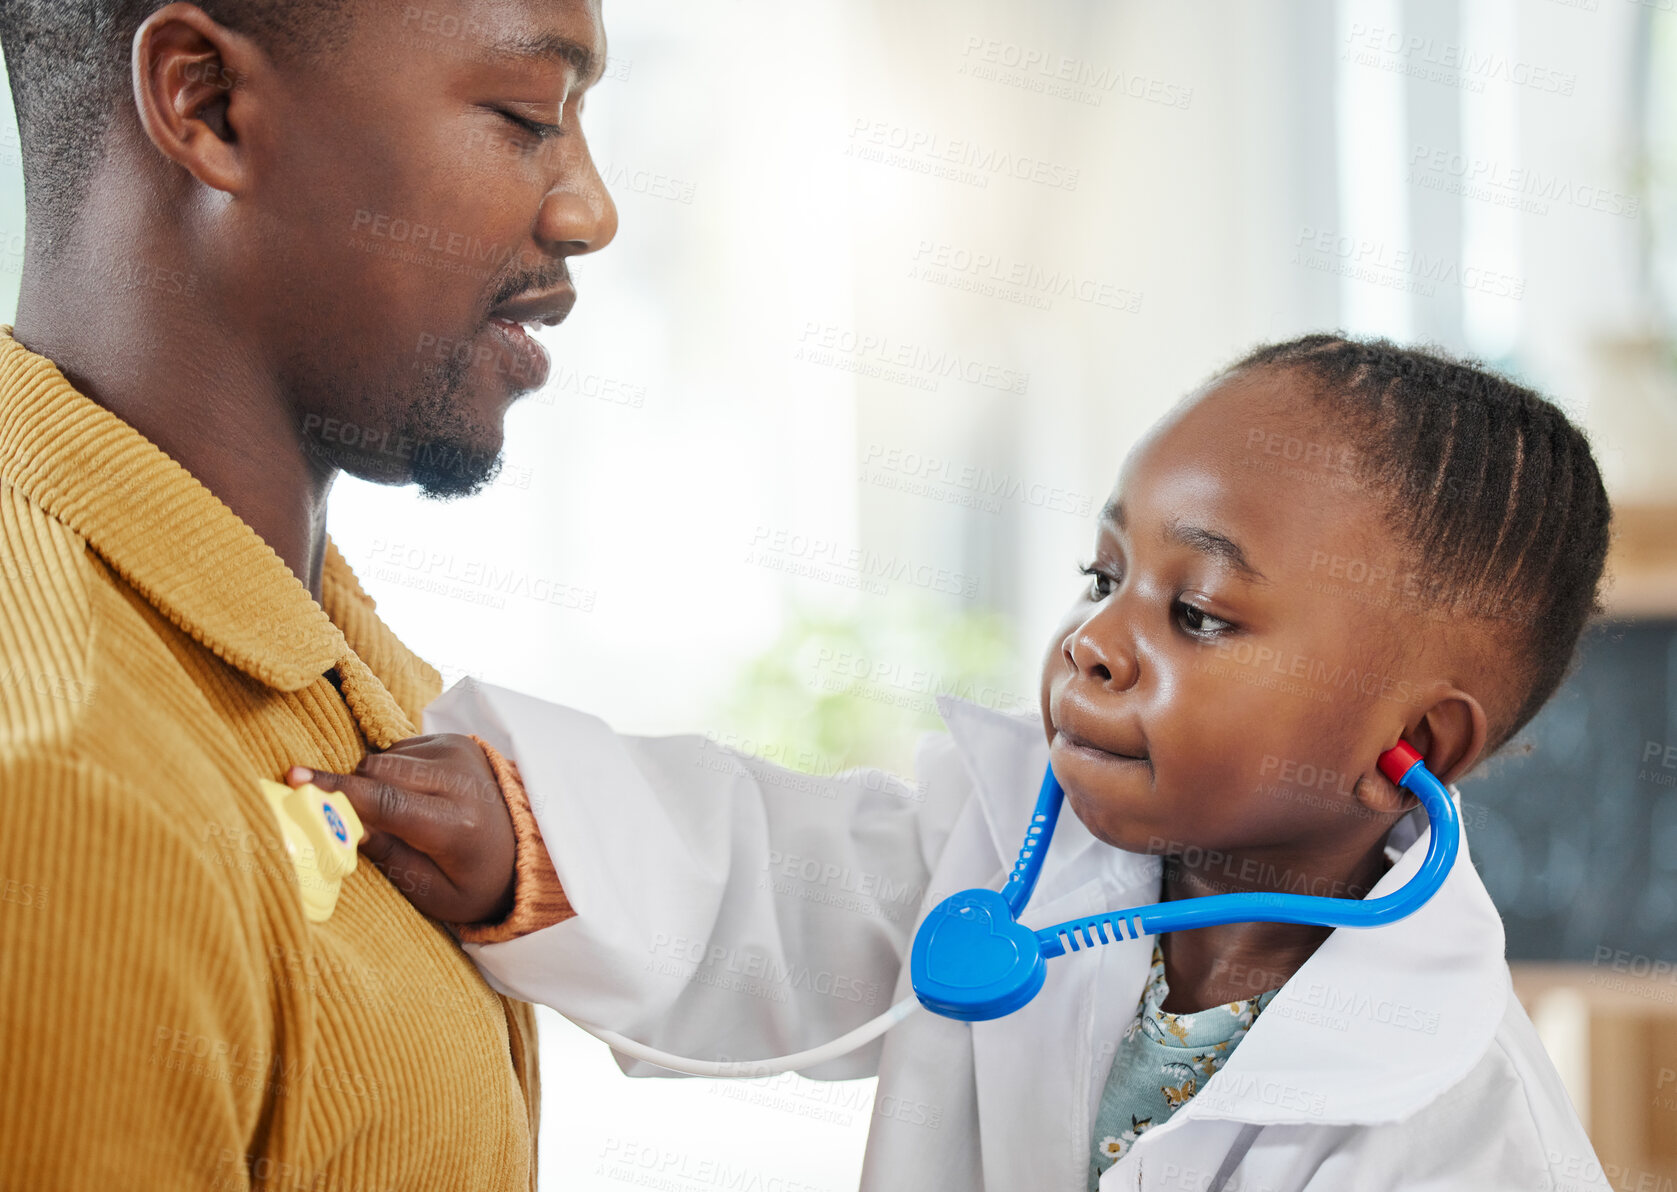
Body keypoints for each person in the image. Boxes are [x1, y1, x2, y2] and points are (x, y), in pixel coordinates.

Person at [298, 336, 1616, 1191]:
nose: (1095, 642)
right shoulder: (1009, 857)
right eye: (1103, 577)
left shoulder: (1460, 1125)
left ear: (1415, 750)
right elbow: (770, 883)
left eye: (1197, 614)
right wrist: (528, 839)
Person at [0, 0, 615, 1186]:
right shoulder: (69, 797)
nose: (590, 209)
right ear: (208, 106)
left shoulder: (312, 634)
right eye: (526, 114)